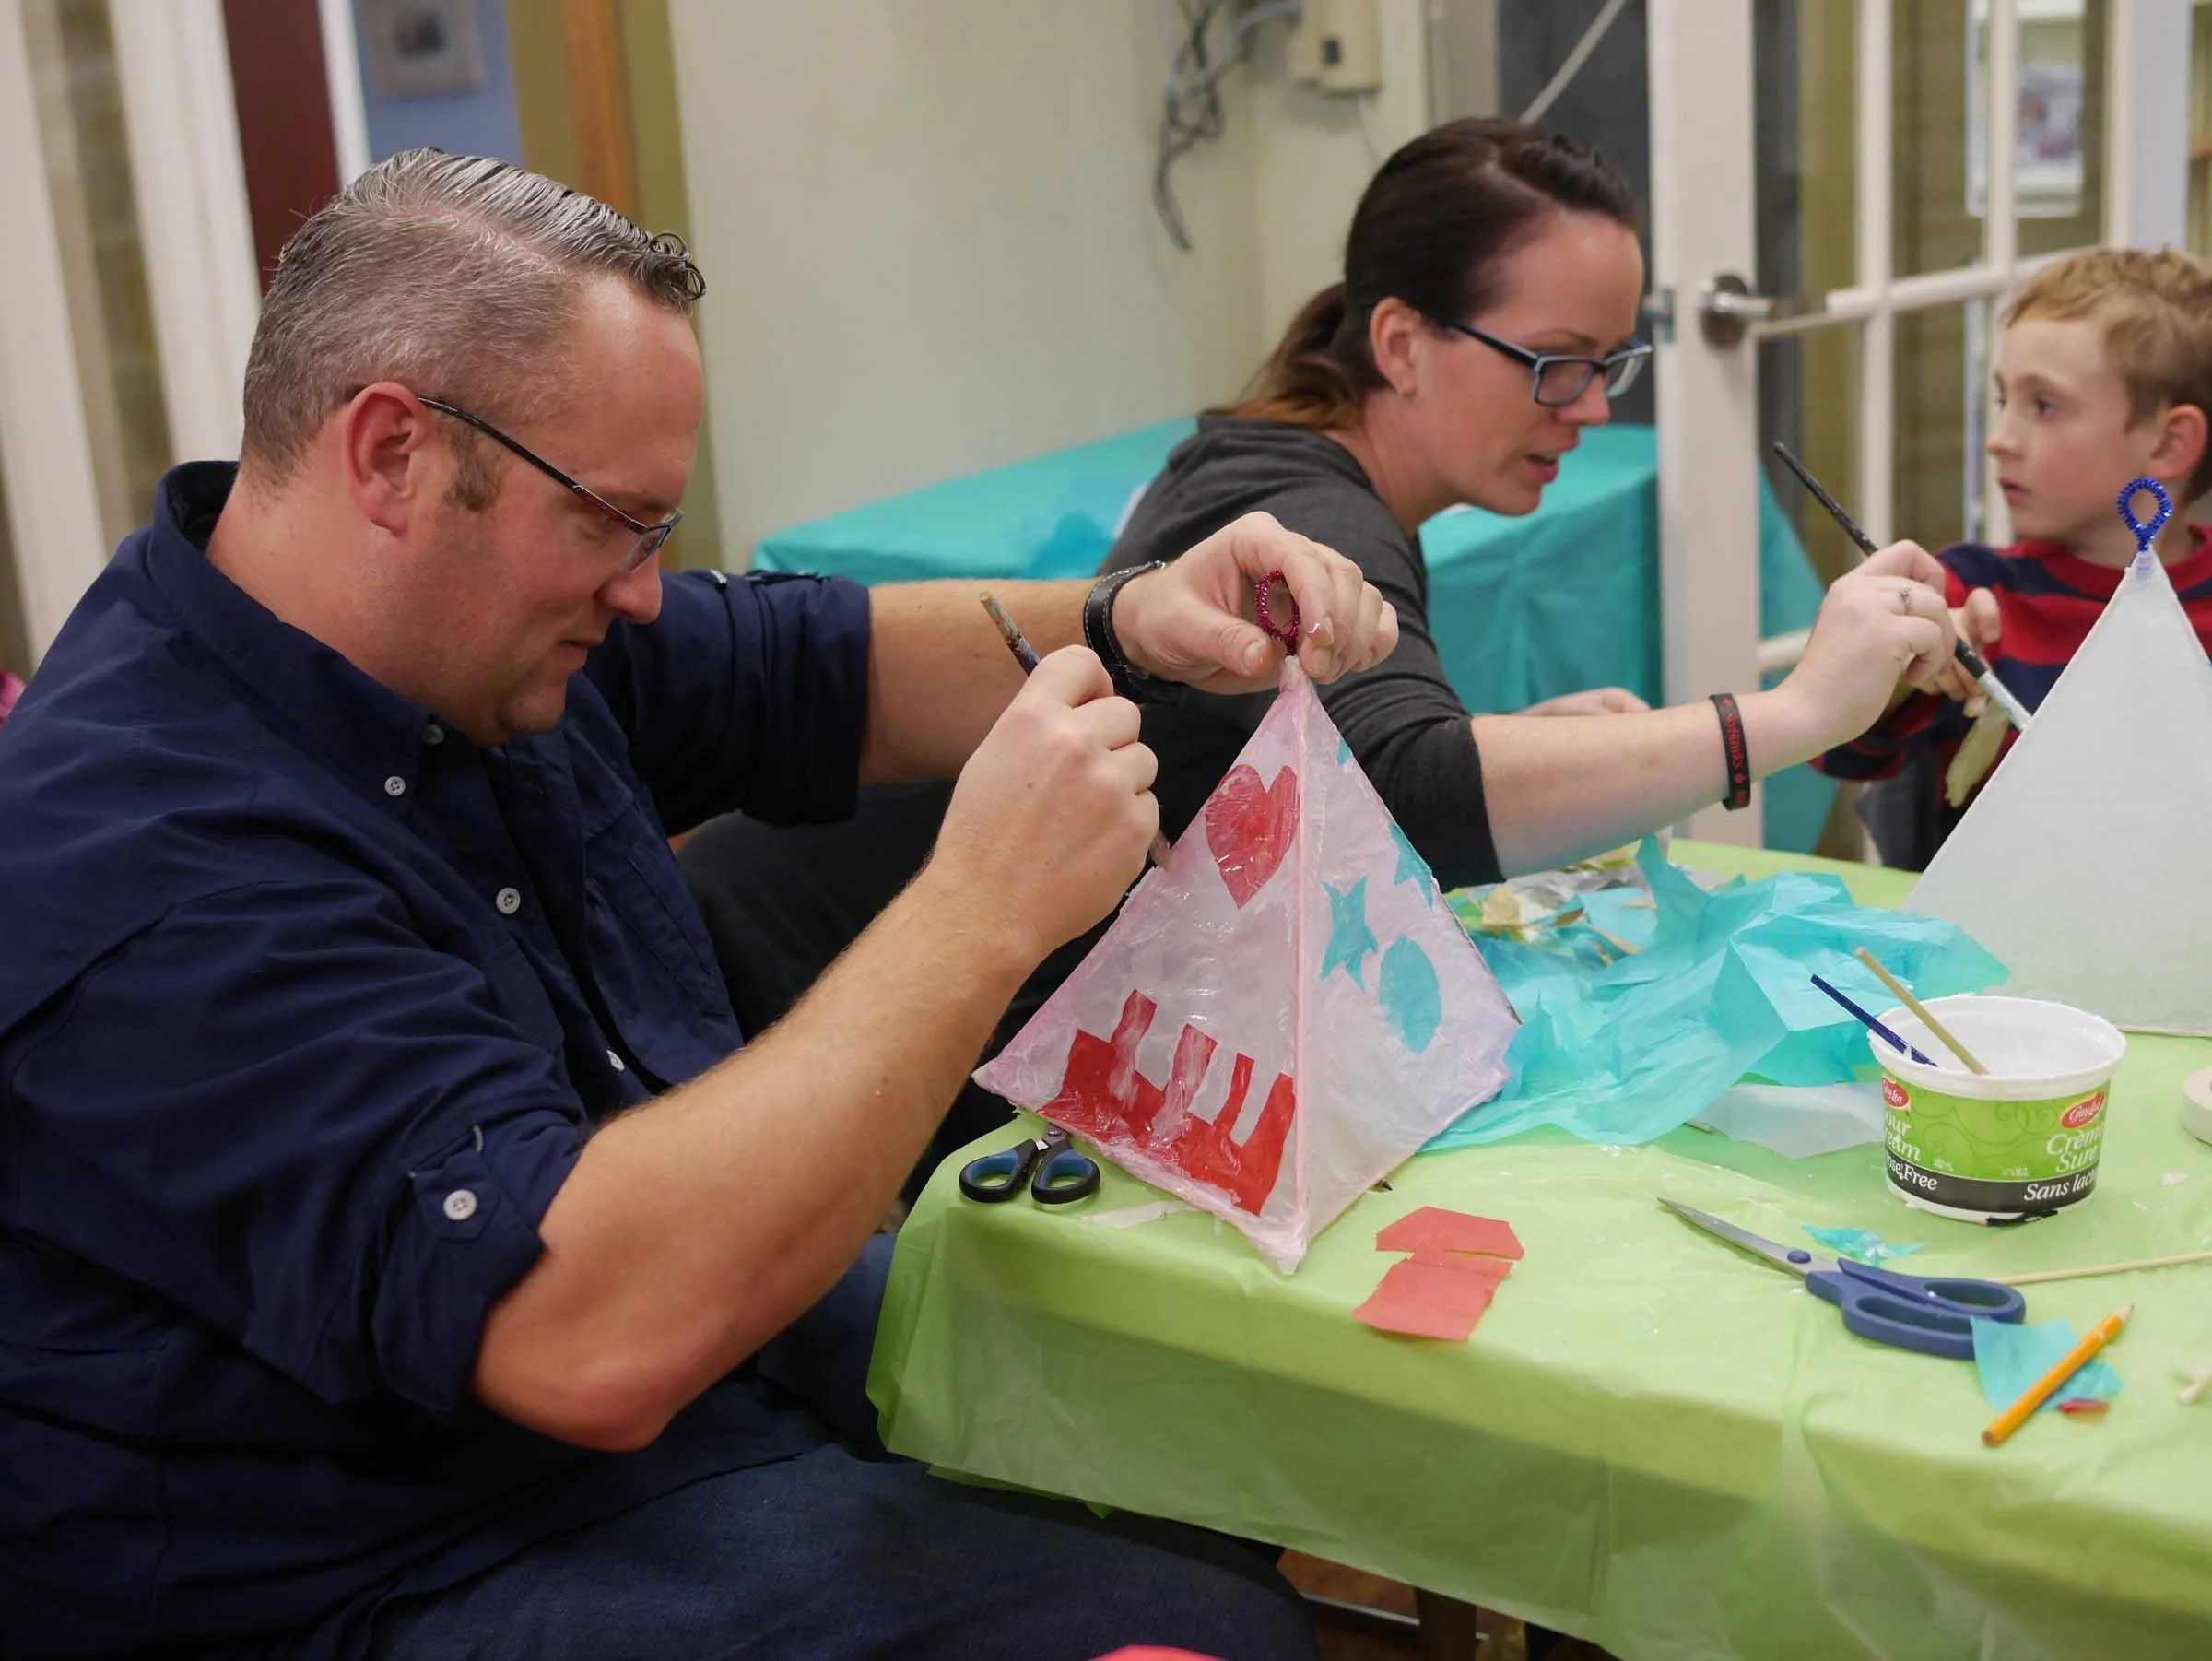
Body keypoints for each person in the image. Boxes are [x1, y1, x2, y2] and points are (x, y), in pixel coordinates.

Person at [0, 151, 1400, 1661]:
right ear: (393, 454)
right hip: (389, 1554)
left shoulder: (466, 638)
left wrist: (1136, 615)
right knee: (1199, 1631)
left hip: (663, 1397)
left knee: (1205, 1434)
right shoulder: (137, 857)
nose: (645, 591)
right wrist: (977, 912)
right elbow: (581, 1336)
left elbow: (812, 663)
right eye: (615, 523)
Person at [681, 116, 1966, 1168]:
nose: (1585, 407)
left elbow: (1328, 762)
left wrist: (1518, 746)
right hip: (767, 999)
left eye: (1607, 365)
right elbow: (1409, 795)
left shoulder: (1303, 470)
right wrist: (1786, 719)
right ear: (1403, 341)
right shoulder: (1301, 505)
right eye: (1553, 364)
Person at [1816, 246, 2212, 866]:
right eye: (2004, 401)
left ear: (2168, 442)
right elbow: (1838, 754)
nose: (1999, 440)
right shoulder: (1972, 596)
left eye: (2044, 407)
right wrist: (1902, 670)